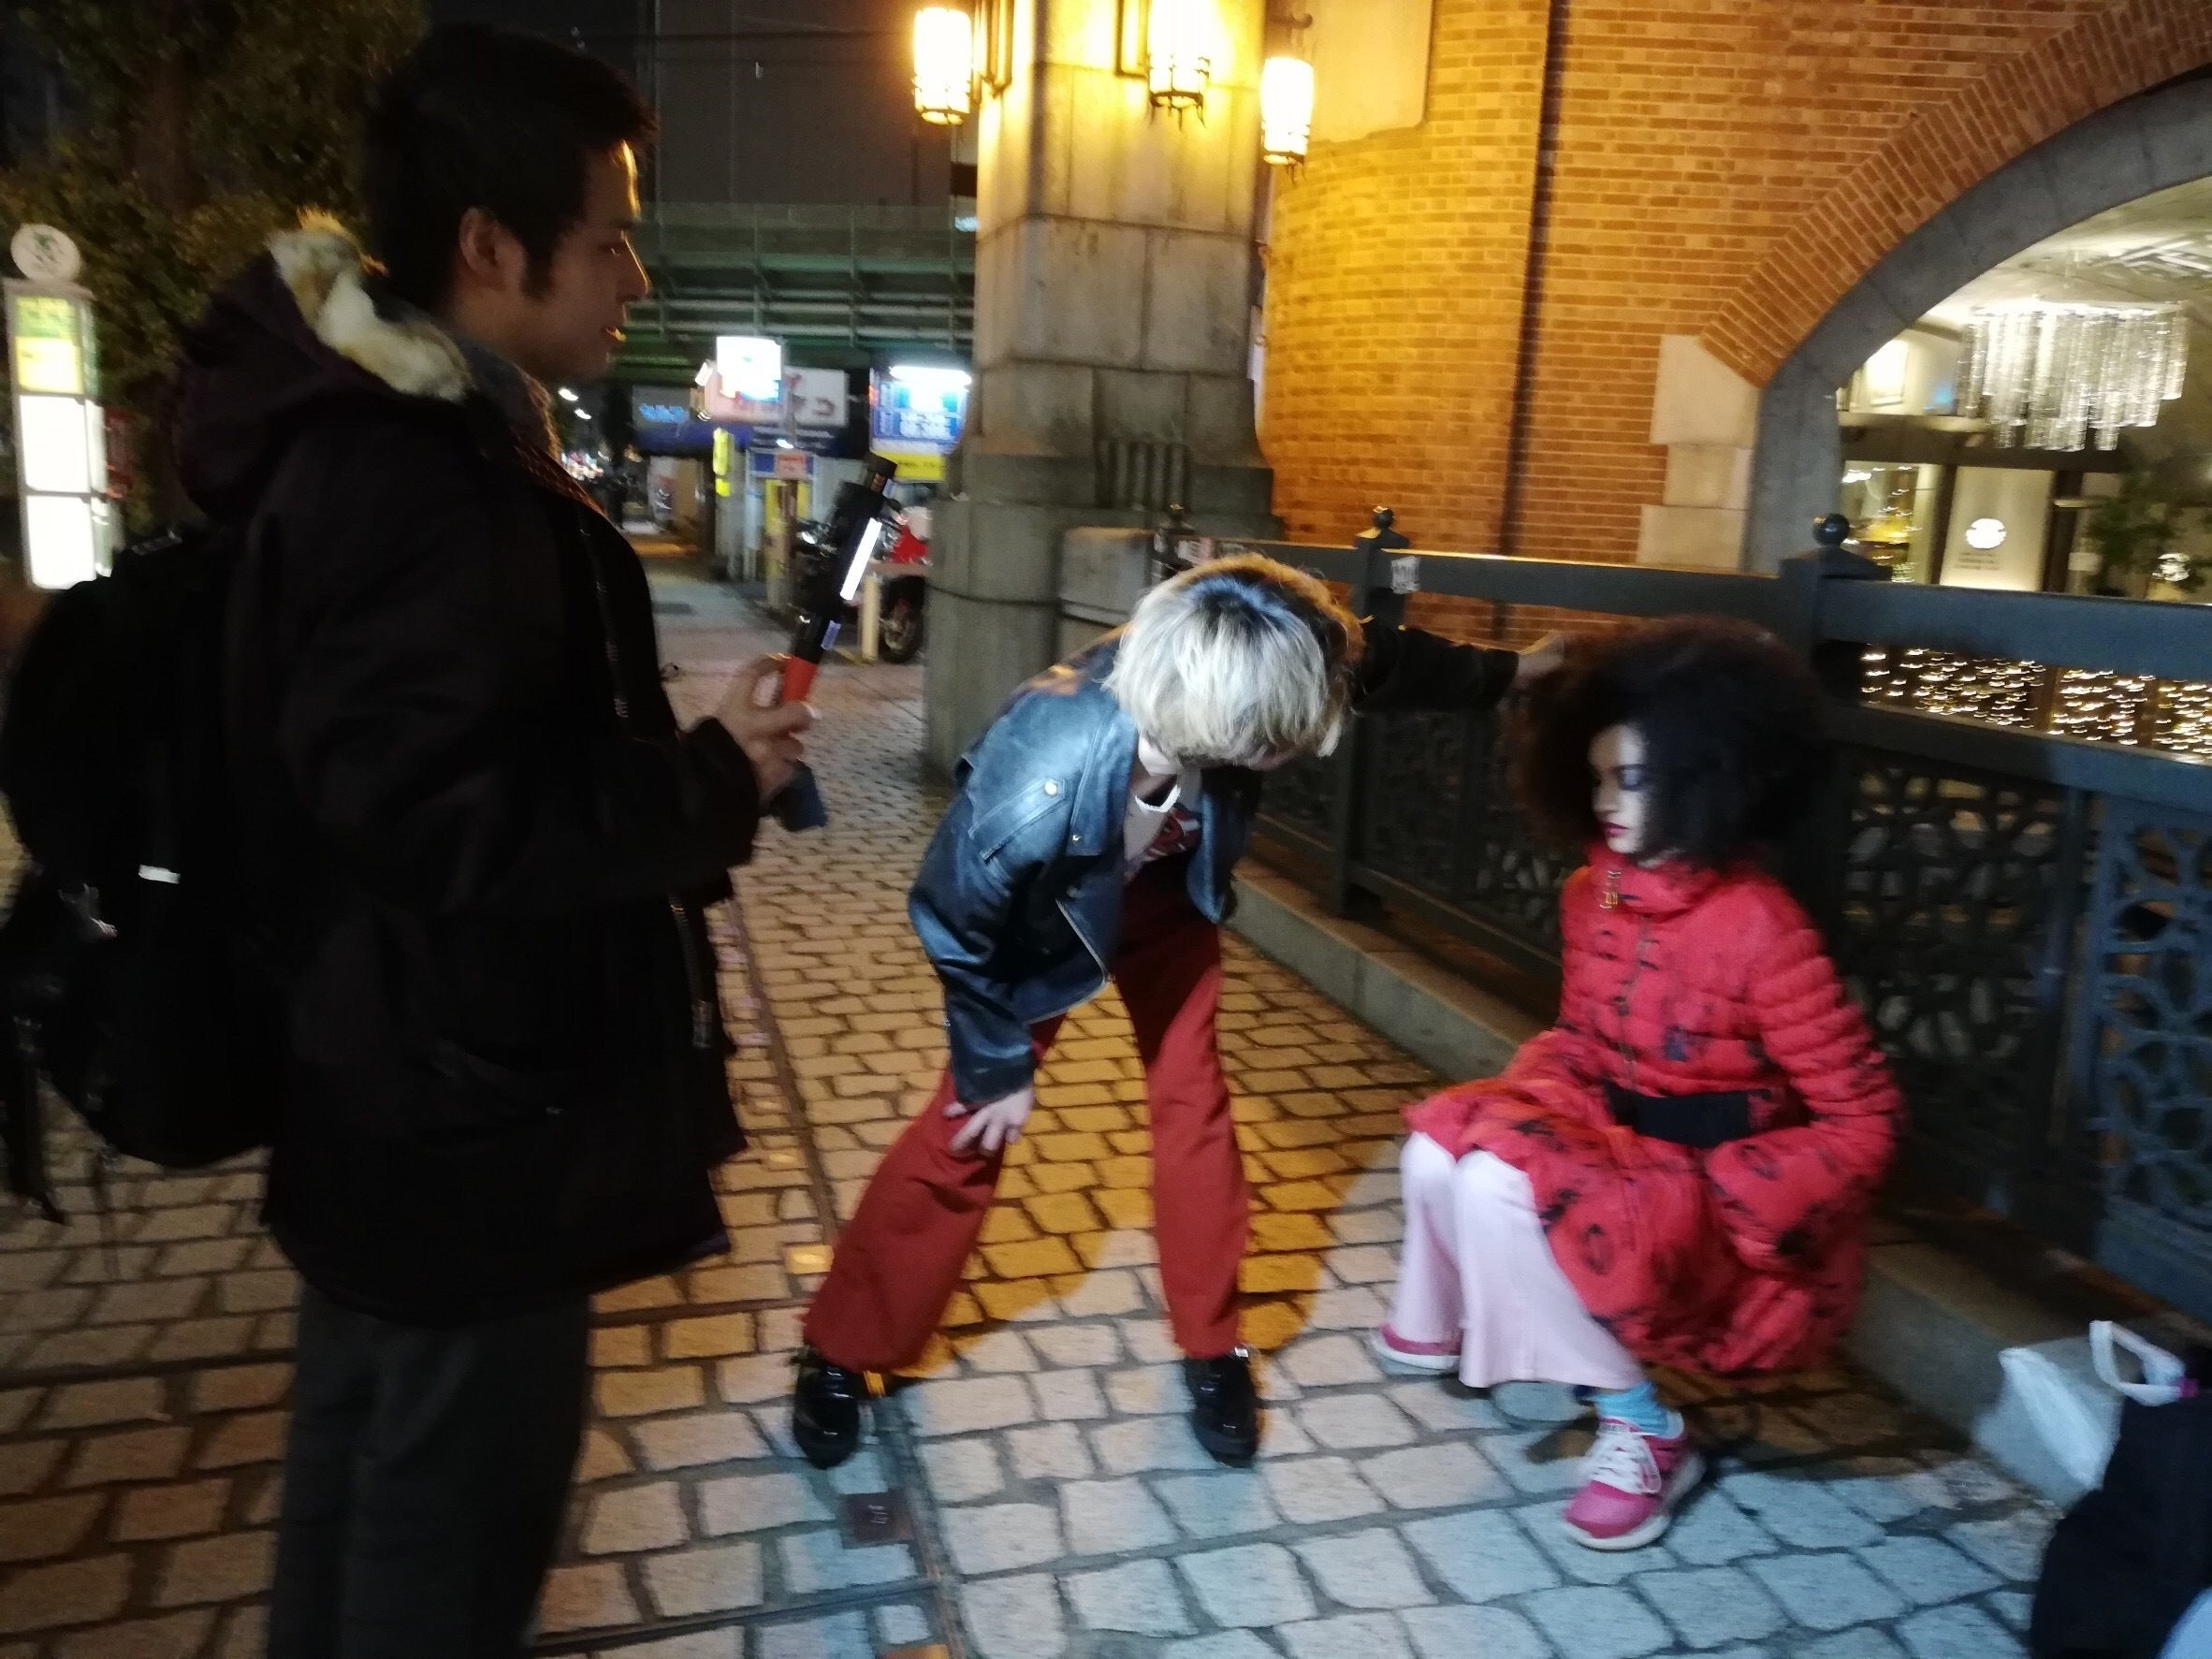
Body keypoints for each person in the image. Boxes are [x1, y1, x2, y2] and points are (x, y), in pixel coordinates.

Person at [175, 25, 811, 1656]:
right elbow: (437, 817)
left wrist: (690, 775)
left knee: (359, 1519)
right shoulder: (417, 480)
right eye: (607, 237)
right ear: (487, 245)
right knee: (438, 1560)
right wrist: (701, 784)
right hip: (464, 1130)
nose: (634, 276)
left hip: (389, 1097)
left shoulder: (380, 440)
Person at [791, 555, 1564, 1468]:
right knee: (969, 1123)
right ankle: (842, 1347)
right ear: (1232, 726)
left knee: (1194, 1104)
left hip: (1164, 894)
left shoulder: (1260, 648)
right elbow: (953, 915)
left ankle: (1212, 1345)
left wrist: (1517, 671)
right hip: (1049, 916)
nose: (1305, 742)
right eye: (1285, 738)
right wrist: (995, 1060)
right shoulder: (1041, 767)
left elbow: (1381, 659)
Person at [1375, 617, 1902, 1551]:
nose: (1606, 804)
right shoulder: (1596, 892)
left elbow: (1864, 1120)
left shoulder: (1760, 926)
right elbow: (1585, 1038)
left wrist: (1739, 1191)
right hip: (1619, 1141)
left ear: (1704, 779)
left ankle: (1644, 1425)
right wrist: (1536, 1094)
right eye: (1596, 777)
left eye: (1634, 780)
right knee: (1439, 1147)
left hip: (1710, 1184)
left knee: (1497, 1182)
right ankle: (1448, 1319)